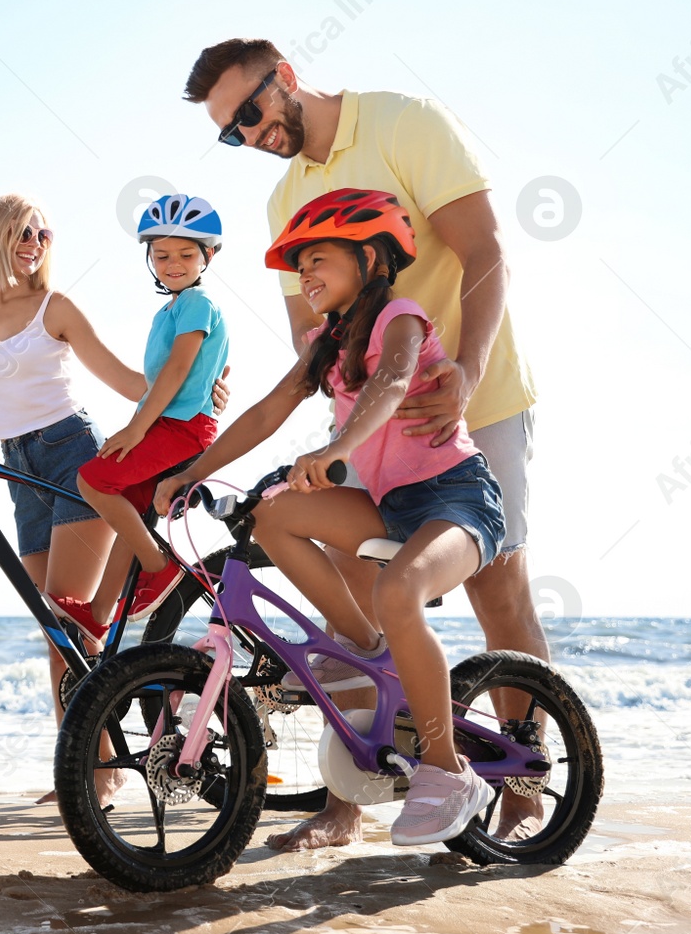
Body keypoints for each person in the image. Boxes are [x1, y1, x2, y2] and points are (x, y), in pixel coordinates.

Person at [183, 37, 545, 848]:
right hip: (370, 427)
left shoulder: (402, 124)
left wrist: (471, 368)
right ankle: (353, 791)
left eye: (251, 111)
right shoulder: (286, 201)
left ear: (286, 76)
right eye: (228, 132)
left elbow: (485, 251)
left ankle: (521, 781)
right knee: (341, 585)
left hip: (466, 395)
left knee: (498, 590)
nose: (247, 134)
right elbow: (308, 354)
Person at [156, 189, 508, 846]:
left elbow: (395, 381)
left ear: (369, 257)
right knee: (274, 513)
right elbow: (265, 410)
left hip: (456, 499)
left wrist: (338, 447)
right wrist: (191, 471)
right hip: (390, 505)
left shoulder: (398, 317)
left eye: (317, 259)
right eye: (301, 266)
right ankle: (361, 646)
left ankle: (446, 768)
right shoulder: (327, 342)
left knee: (399, 589)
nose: (306, 276)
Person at [0, 193, 228, 805]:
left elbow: (125, 379)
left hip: (72, 454)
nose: (33, 244)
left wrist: (197, 391)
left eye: (42, 235)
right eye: (23, 233)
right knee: (55, 628)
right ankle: (87, 767)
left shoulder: (57, 307)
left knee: (71, 622)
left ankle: (93, 776)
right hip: (17, 467)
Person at [47, 195, 229, 641]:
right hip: (171, 424)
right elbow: (163, 380)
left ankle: (158, 566)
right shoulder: (169, 309)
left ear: (208, 255)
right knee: (129, 509)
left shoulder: (197, 304)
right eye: (162, 254)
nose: (173, 263)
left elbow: (177, 371)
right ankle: (100, 612)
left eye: (186, 254)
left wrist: (136, 428)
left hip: (181, 428)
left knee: (93, 481)